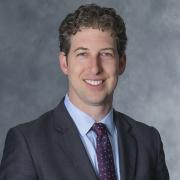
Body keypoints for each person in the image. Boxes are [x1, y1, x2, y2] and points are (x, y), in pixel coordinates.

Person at [0, 4, 169, 180]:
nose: (95, 68)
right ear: (65, 63)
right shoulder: (28, 143)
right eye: (82, 54)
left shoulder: (148, 141)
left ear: (122, 63)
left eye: (106, 54)